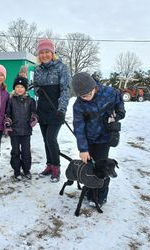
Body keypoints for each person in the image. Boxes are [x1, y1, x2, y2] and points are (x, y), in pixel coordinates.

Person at [72, 72, 126, 206]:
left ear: (94, 86)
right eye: (83, 96)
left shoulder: (110, 93)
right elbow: (79, 128)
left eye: (89, 93)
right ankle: (90, 193)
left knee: (102, 168)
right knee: (89, 167)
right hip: (89, 139)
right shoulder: (78, 105)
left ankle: (101, 197)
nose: (87, 98)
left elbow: (120, 106)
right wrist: (83, 149)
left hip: (104, 138)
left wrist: (117, 116)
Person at [33, 39, 71, 183]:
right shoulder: (37, 69)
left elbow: (65, 90)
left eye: (47, 52)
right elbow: (35, 87)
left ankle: (56, 167)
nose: (44, 55)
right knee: (45, 139)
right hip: (43, 109)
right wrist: (39, 91)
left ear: (52, 53)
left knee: (51, 138)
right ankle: (49, 166)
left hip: (56, 110)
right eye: (41, 52)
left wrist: (62, 109)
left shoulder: (61, 68)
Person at [4, 76, 38, 181]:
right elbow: (7, 114)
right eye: (17, 87)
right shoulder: (10, 100)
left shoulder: (31, 101)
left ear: (26, 88)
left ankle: (27, 170)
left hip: (26, 131)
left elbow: (34, 113)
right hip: (14, 131)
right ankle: (16, 171)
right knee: (15, 152)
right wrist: (7, 122)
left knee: (26, 151)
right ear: (14, 88)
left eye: (22, 87)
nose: (19, 89)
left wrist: (34, 119)